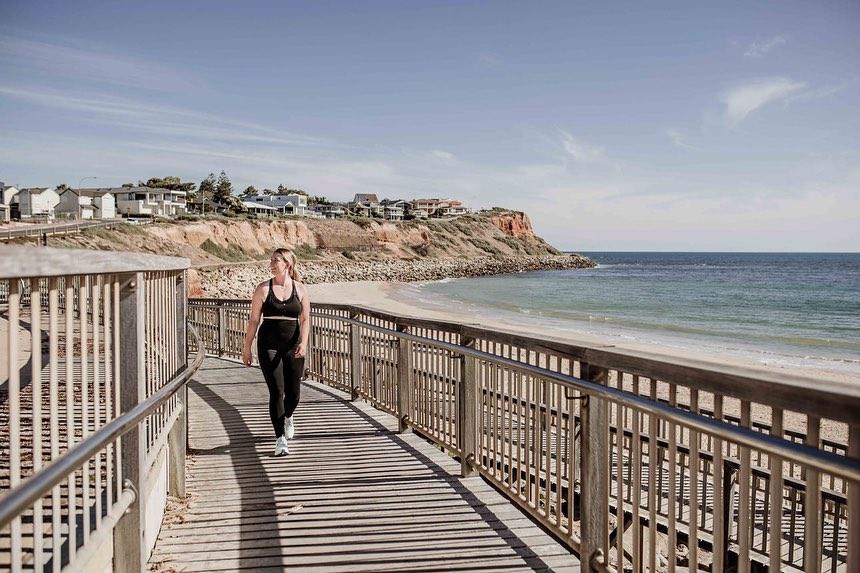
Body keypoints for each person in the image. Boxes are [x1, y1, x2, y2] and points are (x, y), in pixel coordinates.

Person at [242, 248, 310, 456]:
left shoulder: (300, 289)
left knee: (294, 394)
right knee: (277, 392)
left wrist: (304, 342)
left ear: (288, 263)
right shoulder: (263, 289)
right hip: (268, 345)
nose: (271, 263)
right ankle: (280, 439)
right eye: (271, 260)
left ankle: (288, 416)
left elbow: (305, 319)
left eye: (276, 260)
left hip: (293, 346)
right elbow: (254, 321)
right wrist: (247, 348)